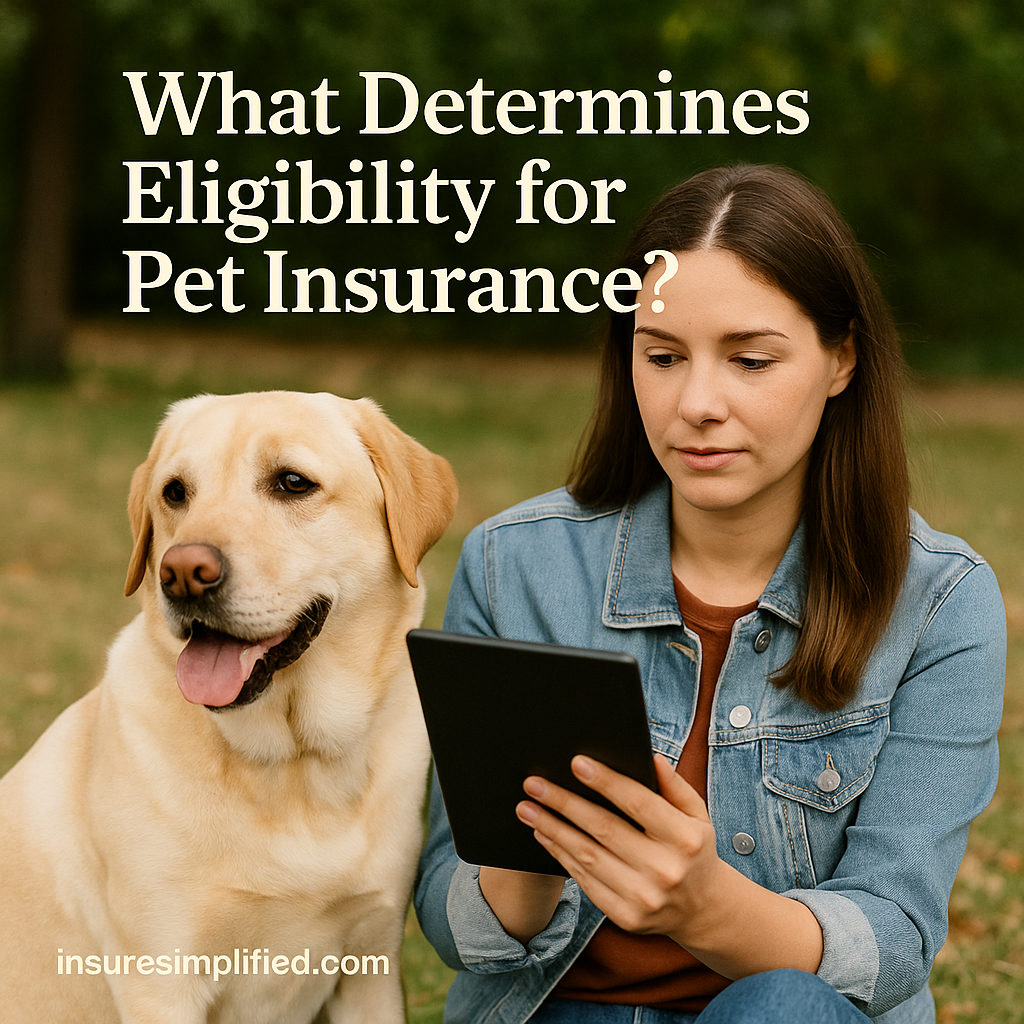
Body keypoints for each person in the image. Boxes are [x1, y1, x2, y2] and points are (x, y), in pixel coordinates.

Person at [414, 163, 1006, 1024]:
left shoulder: (941, 601)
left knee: (783, 1010)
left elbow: (893, 939)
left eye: (750, 360)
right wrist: (533, 857)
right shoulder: (517, 565)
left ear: (841, 358)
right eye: (662, 357)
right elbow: (448, 915)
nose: (696, 403)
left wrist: (701, 904)